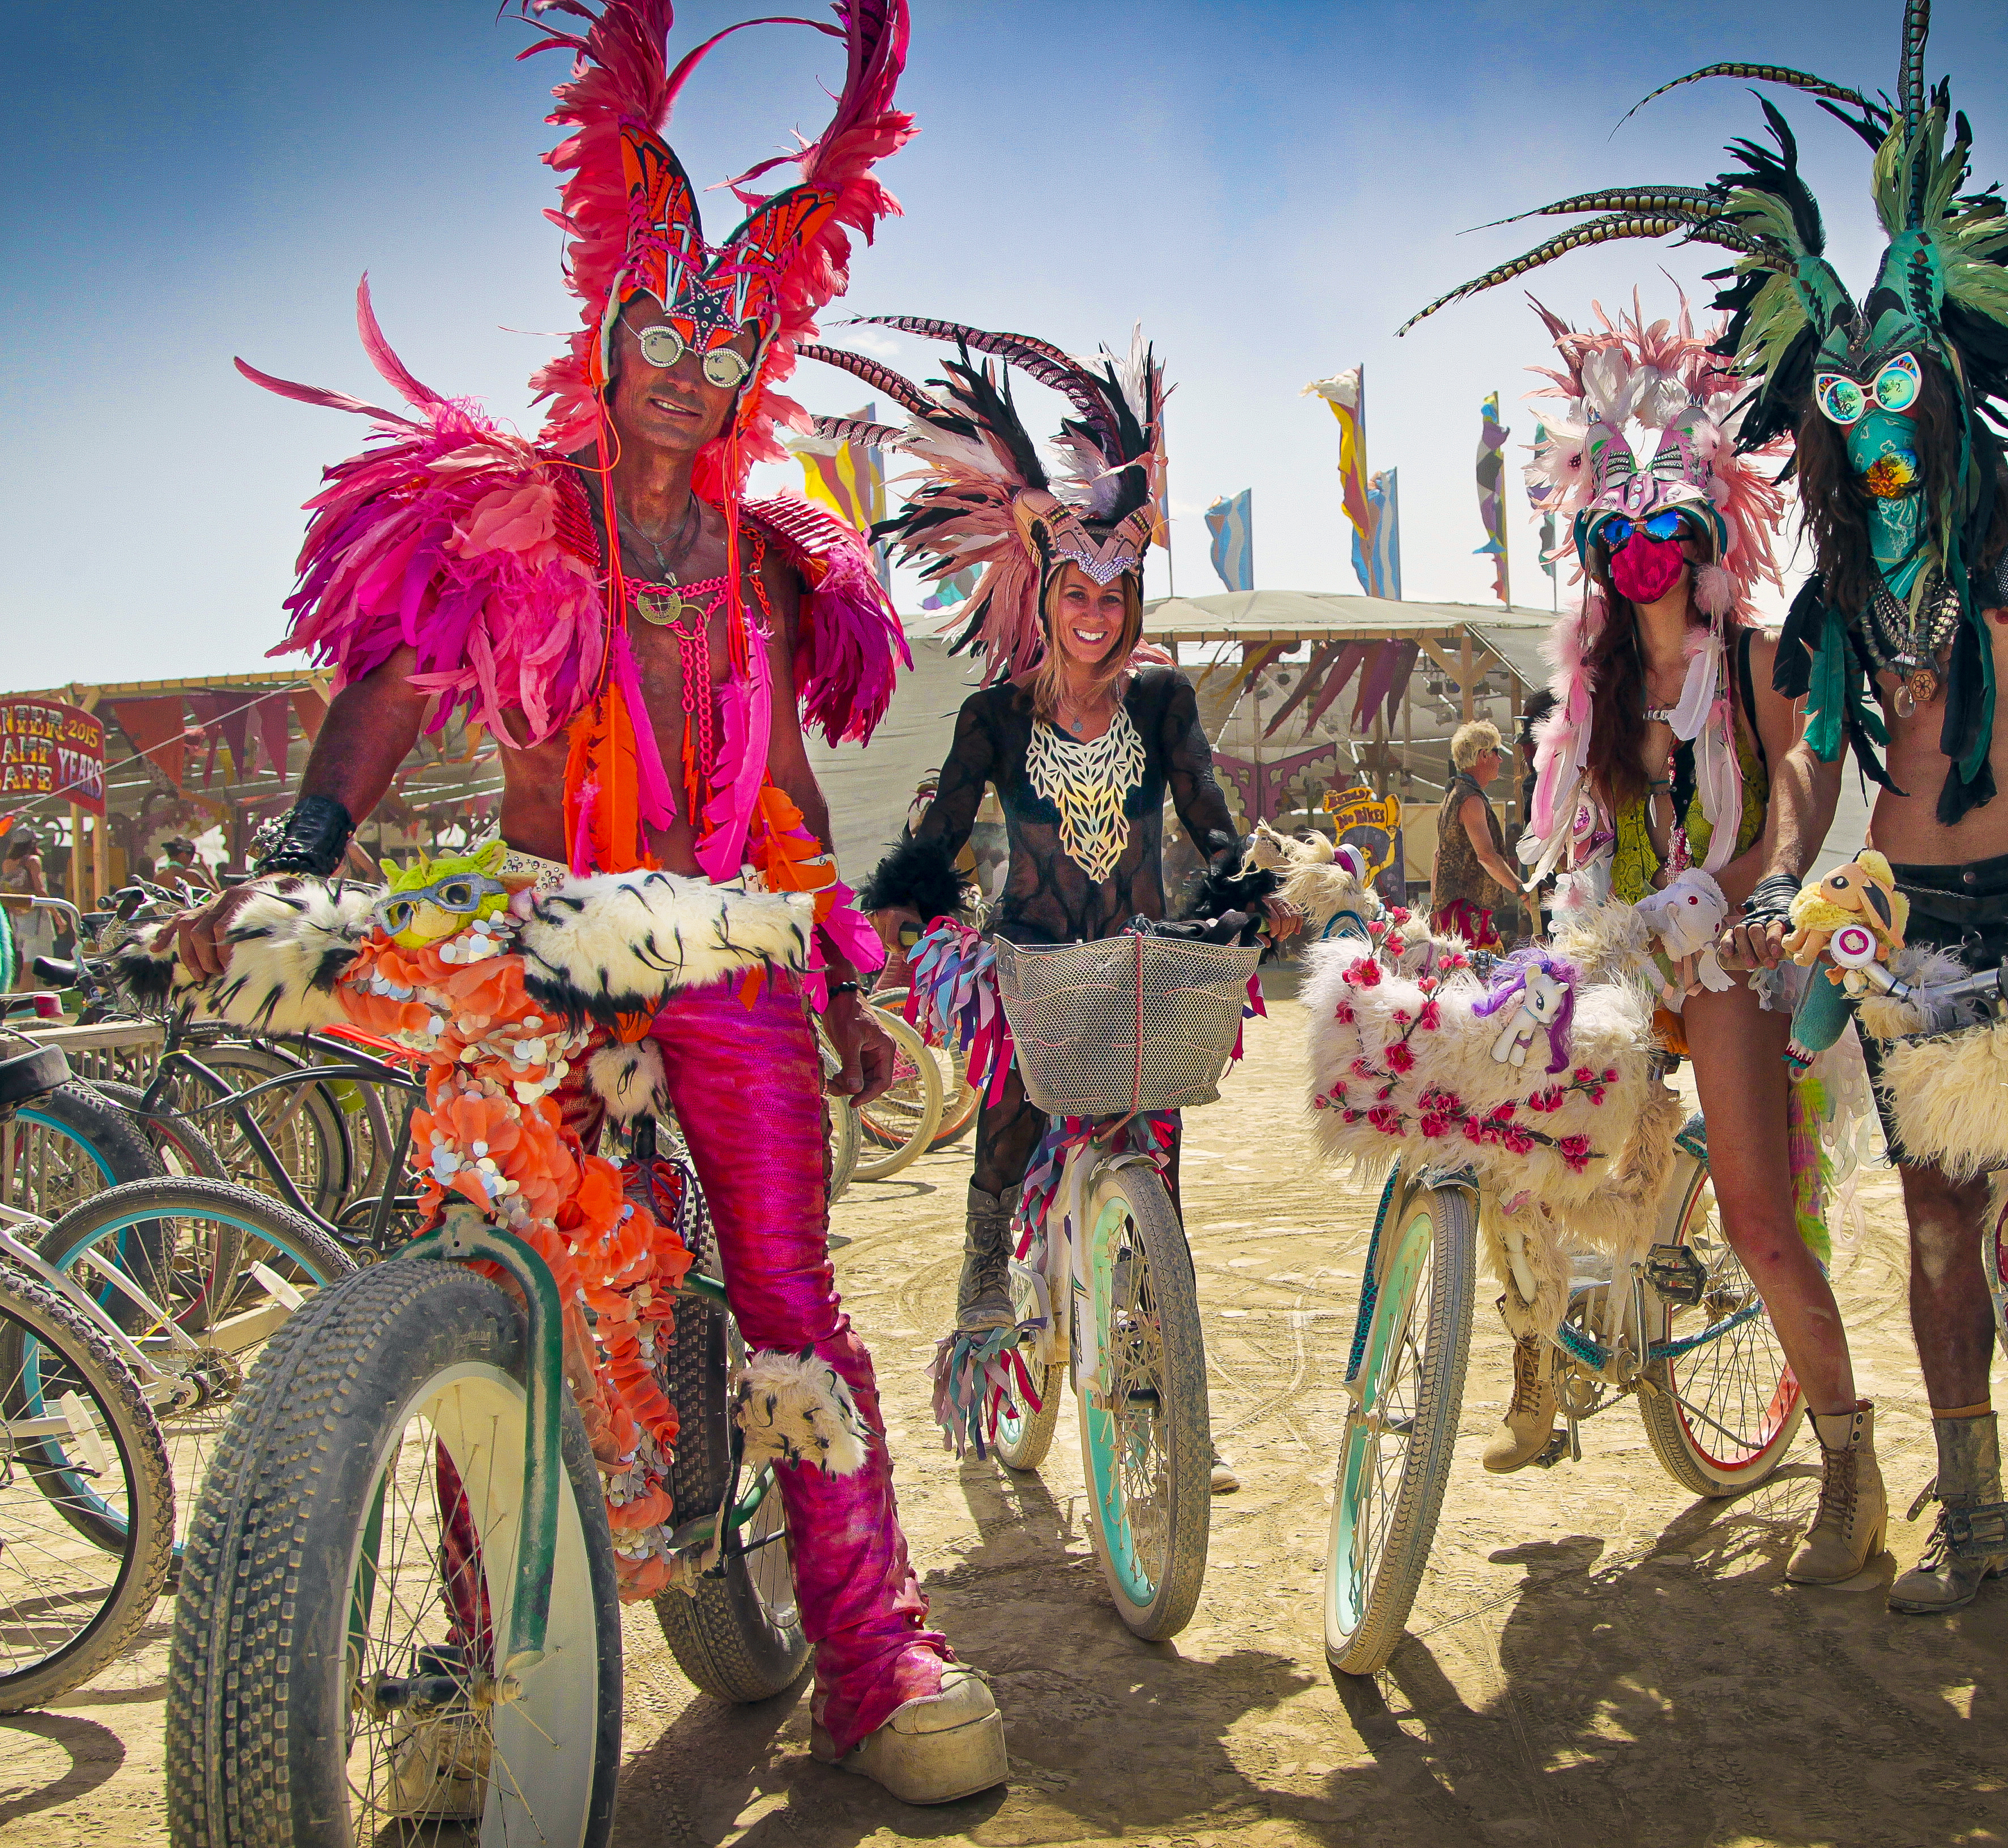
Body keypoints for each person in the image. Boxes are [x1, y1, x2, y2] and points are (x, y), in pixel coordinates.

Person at [158, 0, 1011, 1804]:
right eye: (664, 328)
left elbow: (786, 803)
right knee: (506, 1273)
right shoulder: (514, 518)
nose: (692, 362)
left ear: (754, 364)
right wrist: (299, 861)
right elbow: (391, 694)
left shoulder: (773, 566)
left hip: (727, 946)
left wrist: (844, 983)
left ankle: (874, 1653)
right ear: (610, 333)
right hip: (551, 939)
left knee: (787, 1294)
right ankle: (475, 1682)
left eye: (729, 338)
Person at [1427, 6, 2008, 1669]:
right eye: (1841, 394)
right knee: (1932, 1226)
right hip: (1911, 914)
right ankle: (1970, 1513)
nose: (1871, 412)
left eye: (1894, 377)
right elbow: (1810, 776)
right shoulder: (1837, 593)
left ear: (1946, 370)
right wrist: (1780, 882)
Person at [1401, 287, 1886, 1585]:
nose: (1641, 551)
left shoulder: (1759, 660)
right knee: (1512, 1120)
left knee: (1759, 1218)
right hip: (1625, 944)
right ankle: (1534, 1364)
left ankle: (1850, 1465)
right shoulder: (1598, 692)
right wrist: (1570, 933)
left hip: (1732, 952)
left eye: (1664, 523)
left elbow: (1795, 803)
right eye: (1614, 530)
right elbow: (1571, 836)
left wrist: (1732, 892)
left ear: (1709, 528)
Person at [836, 323, 1297, 1346]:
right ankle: (983, 1255)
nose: (1095, 613)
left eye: (1113, 596)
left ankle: (1154, 1341)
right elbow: (943, 831)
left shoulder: (1165, 701)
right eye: (1077, 594)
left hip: (1141, 961)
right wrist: (903, 906)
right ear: (1046, 599)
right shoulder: (994, 716)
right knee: (1008, 1119)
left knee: (1157, 1151)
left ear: (1133, 605)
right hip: (1035, 960)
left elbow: (1209, 821)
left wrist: (1252, 898)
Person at [1433, 719, 1522, 948]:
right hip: (1466, 914)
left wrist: (1438, 908)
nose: (1500, 759)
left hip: (1458, 911)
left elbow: (1438, 855)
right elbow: (1487, 856)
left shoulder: (1454, 795)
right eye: (1497, 752)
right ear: (1483, 755)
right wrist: (1521, 892)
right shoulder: (1470, 799)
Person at [3, 830, 49, 991]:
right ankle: (27, 998)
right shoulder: (33, 861)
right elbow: (40, 890)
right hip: (35, 915)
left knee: (26, 959)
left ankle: (26, 996)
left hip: (17, 915)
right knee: (32, 962)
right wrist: (57, 915)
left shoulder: (8, 863)